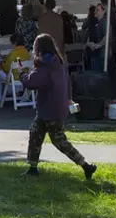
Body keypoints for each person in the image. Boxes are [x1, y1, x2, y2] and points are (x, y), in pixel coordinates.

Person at [21, 34, 97, 180]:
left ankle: (85, 165)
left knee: (59, 141)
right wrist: (69, 99)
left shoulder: (43, 64)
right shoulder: (59, 62)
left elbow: (31, 83)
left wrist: (22, 74)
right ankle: (32, 167)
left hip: (48, 109)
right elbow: (67, 82)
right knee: (36, 134)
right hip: (57, 106)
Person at [85, 3, 106, 73]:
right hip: (94, 53)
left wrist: (98, 45)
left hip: (101, 54)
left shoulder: (104, 22)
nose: (95, 11)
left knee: (99, 75)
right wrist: (89, 43)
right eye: (95, 10)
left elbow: (107, 36)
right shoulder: (95, 22)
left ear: (103, 11)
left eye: (98, 10)